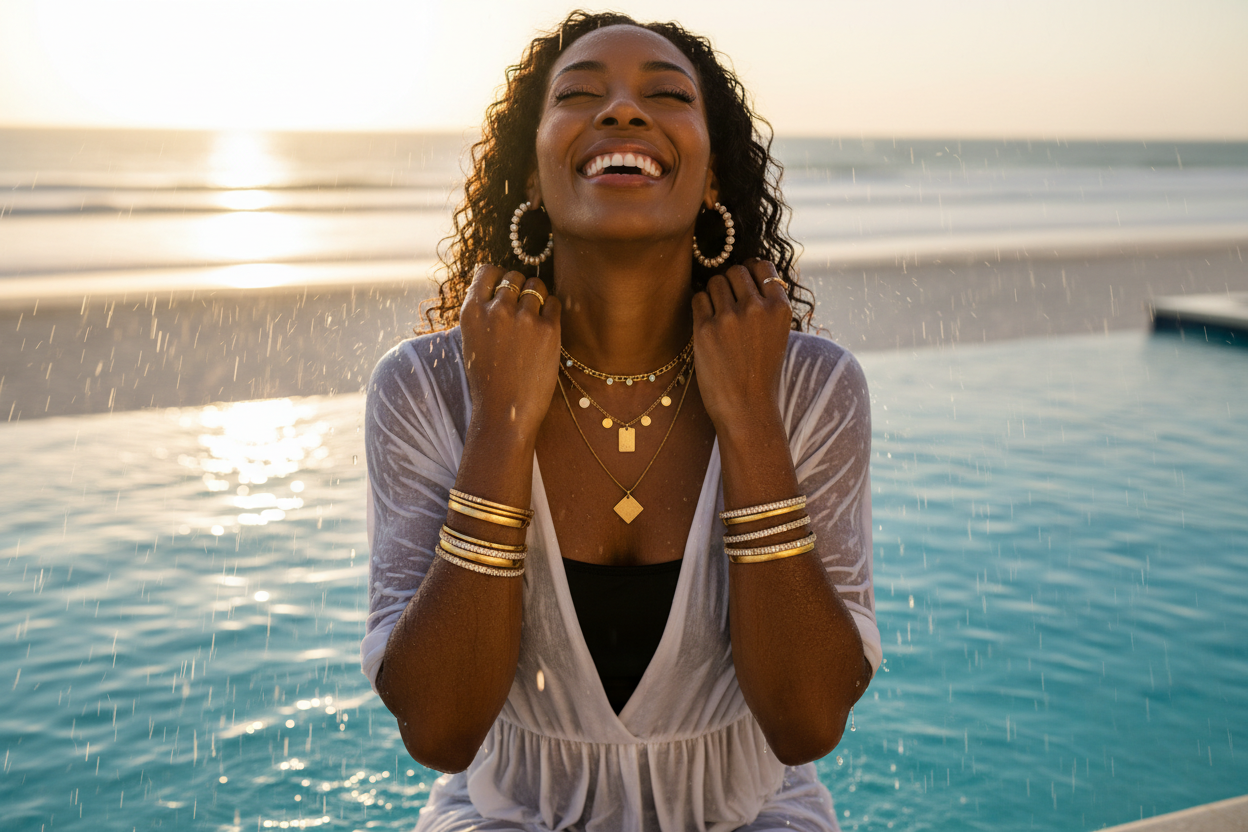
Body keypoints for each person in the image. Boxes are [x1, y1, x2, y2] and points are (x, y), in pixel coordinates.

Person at [361, 10, 881, 830]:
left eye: (667, 94)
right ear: (531, 175)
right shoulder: (427, 388)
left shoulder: (809, 388)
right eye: (579, 94)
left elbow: (809, 721)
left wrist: (751, 421)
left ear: (712, 178)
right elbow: (440, 729)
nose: (624, 111)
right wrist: (501, 427)